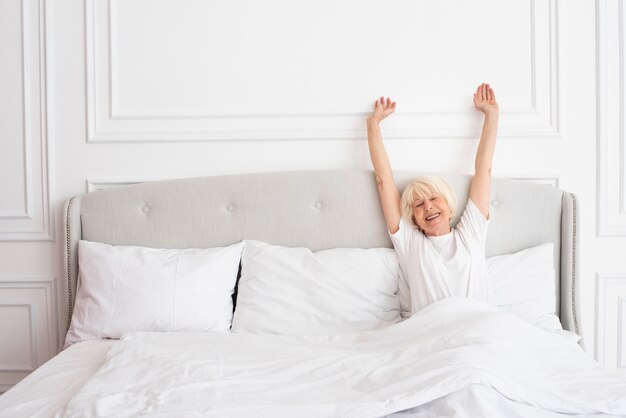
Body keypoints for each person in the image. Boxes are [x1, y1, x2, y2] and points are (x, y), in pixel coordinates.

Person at [366, 83, 499, 316]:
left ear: (448, 207)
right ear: (414, 219)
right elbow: (383, 181)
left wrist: (492, 115)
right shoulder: (411, 243)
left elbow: (484, 170)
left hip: (480, 328)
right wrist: (372, 125)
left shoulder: (471, 232)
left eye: (434, 198)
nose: (427, 206)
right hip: (433, 335)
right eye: (418, 204)